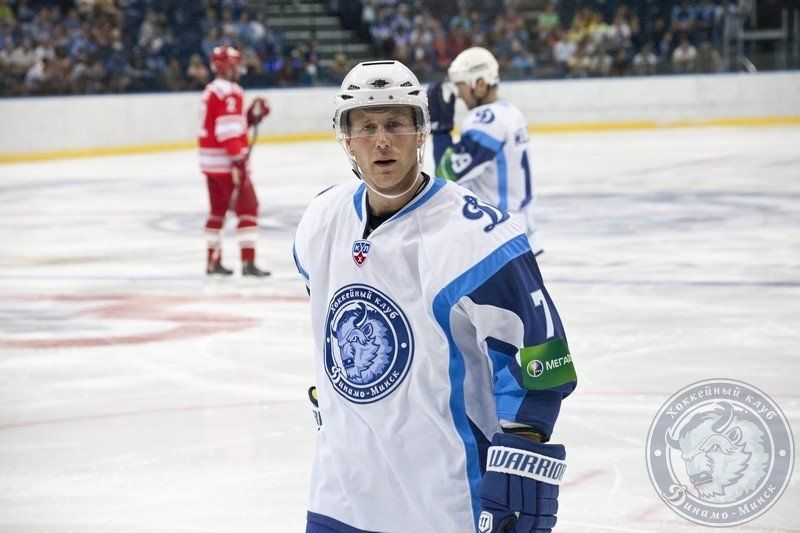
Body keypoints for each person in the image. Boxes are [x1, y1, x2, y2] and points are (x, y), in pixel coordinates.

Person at [293, 60, 576, 533]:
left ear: (421, 131)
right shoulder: (320, 220)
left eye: (395, 124)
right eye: (366, 127)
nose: (382, 141)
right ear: (346, 139)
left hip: (445, 500)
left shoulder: (479, 238)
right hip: (340, 491)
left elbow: (541, 356)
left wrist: (523, 448)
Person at [428, 47, 545, 256]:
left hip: (499, 235)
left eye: (461, 85)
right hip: (520, 227)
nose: (459, 95)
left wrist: (441, 132)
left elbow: (447, 175)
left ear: (480, 83)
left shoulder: (486, 121)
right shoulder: (511, 113)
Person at [198, 45, 270, 277]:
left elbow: (228, 125)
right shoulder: (230, 91)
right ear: (227, 67)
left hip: (210, 164)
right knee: (248, 207)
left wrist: (250, 117)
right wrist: (238, 162)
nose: (239, 69)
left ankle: (212, 261)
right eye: (235, 65)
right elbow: (228, 131)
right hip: (226, 164)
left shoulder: (211, 90)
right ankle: (248, 263)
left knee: (217, 211)